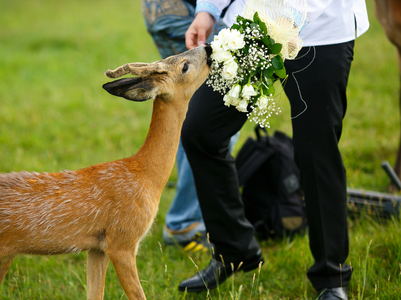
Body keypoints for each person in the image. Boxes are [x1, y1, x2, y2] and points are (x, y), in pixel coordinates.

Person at [178, 0, 369, 299]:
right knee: (201, 130)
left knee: (316, 151)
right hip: (249, 28)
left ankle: (332, 277)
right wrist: (208, 9)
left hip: (321, 32)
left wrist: (286, 16)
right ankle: (234, 250)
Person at [141, 0, 239, 252]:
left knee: (195, 114)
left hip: (158, 10)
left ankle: (189, 217)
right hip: (190, 13)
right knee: (217, 120)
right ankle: (184, 222)